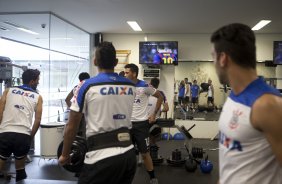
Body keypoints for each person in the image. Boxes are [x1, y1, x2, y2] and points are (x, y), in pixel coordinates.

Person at [211, 23, 282, 184]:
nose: (213, 62)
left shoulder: (267, 105)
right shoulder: (233, 96)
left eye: (213, 56)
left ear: (222, 58)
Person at [59, 42, 137, 184]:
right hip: (128, 155)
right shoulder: (131, 86)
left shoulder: (86, 85)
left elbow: (72, 126)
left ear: (95, 62)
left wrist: (64, 155)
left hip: (100, 157)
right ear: (116, 62)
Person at [0, 69, 42, 182]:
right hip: (23, 136)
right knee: (20, 170)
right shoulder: (38, 97)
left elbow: (0, 113)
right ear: (32, 81)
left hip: (5, 133)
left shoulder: (8, 91)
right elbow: (37, 121)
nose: (38, 82)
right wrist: (30, 136)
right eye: (37, 80)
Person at [124, 63, 163, 184]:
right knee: (126, 154)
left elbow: (160, 96)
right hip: (127, 124)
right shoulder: (124, 86)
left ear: (134, 73)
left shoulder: (144, 86)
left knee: (145, 154)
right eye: (124, 72)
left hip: (141, 125)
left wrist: (154, 114)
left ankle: (152, 177)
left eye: (127, 72)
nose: (124, 75)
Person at [65, 72, 90, 139]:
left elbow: (67, 99)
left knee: (75, 133)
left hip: (76, 113)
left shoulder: (76, 88)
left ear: (79, 80)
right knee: (85, 135)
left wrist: (73, 108)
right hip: (86, 115)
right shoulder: (89, 88)